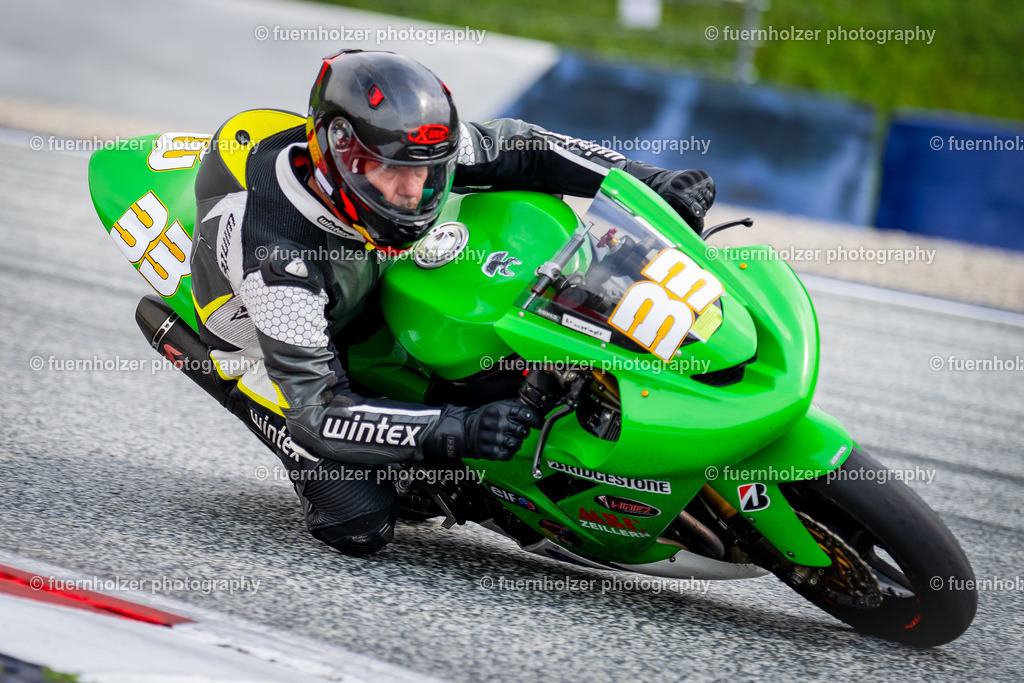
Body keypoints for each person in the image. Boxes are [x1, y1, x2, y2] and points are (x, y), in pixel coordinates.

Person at [188, 49, 716, 556]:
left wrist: (648, 182)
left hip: (365, 270)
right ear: (341, 156)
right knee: (357, 522)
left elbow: (522, 149)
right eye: (394, 173)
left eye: (427, 172)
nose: (413, 191)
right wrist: (457, 429)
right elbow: (318, 411)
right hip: (271, 352)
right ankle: (225, 378)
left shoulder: (406, 146)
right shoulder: (278, 262)